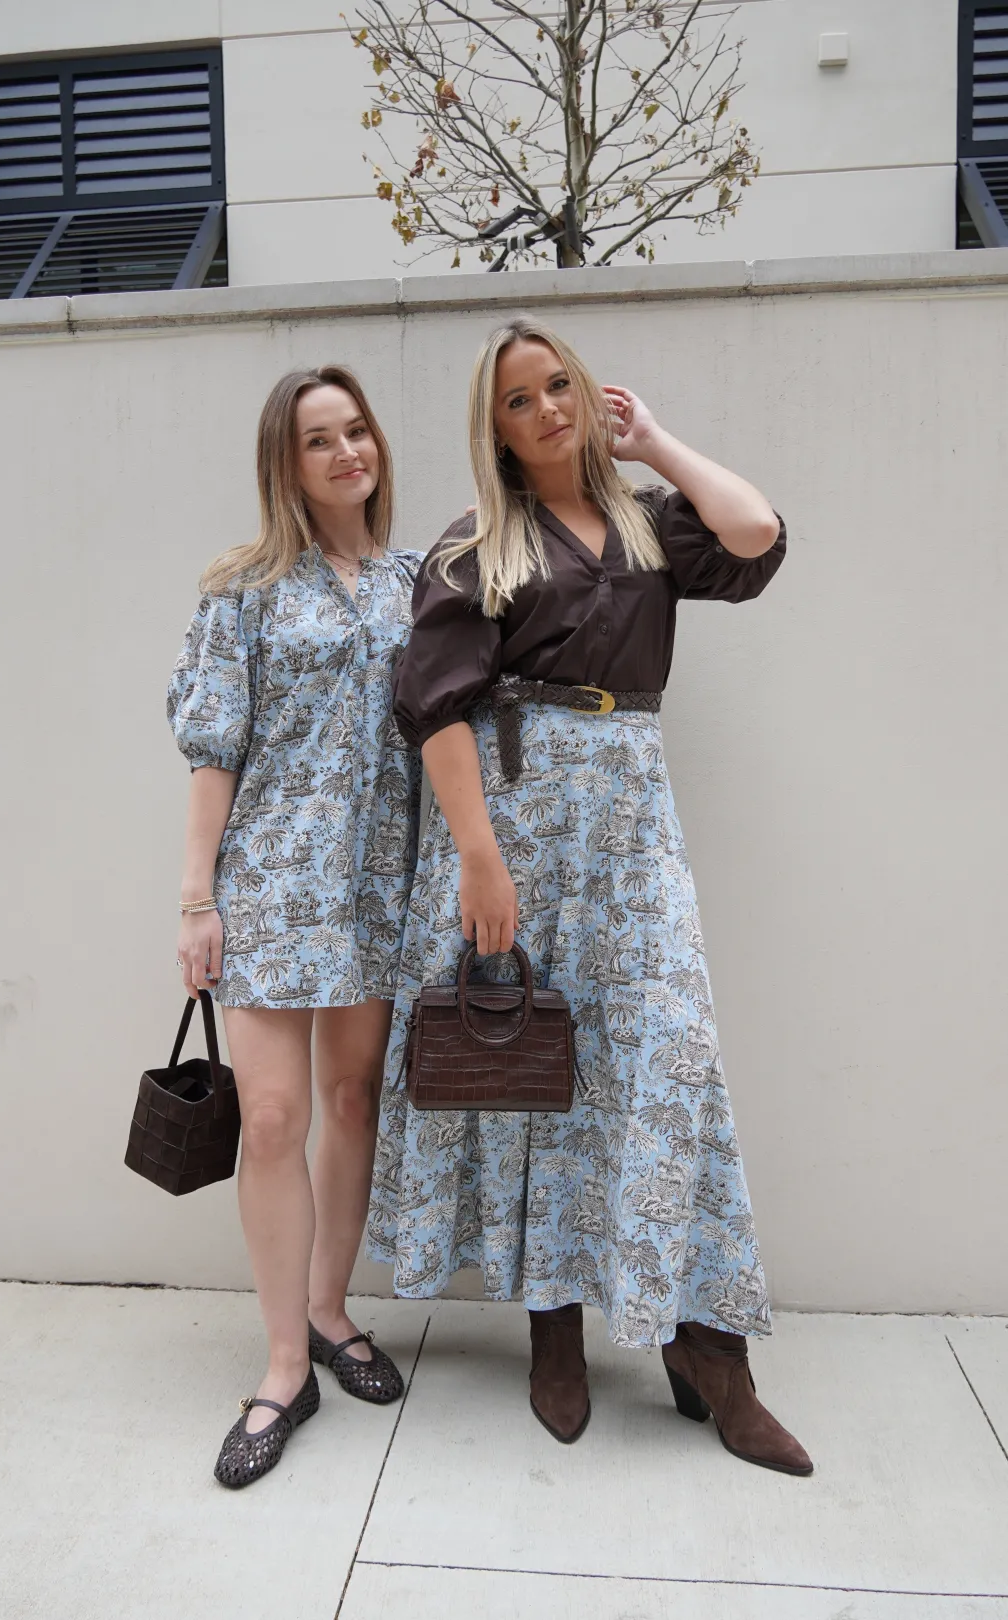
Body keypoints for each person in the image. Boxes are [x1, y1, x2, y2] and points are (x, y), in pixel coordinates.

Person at [367, 317, 812, 1476]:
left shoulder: (650, 520)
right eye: (519, 400)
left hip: (630, 827)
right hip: (515, 827)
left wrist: (654, 442)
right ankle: (552, 1328)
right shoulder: (475, 544)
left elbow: (757, 535)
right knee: (535, 1067)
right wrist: (478, 856)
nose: (548, 410)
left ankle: (710, 1352)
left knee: (669, 1059)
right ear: (497, 429)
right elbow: (436, 705)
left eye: (558, 384)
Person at [168, 366, 422, 1489]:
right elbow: (215, 746)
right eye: (319, 438)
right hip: (271, 882)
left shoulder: (419, 583)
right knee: (270, 1118)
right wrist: (197, 898)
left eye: (356, 430)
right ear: (286, 461)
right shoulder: (246, 587)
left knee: (353, 1100)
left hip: (380, 883)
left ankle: (328, 1309)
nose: (345, 451)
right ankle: (283, 1367)